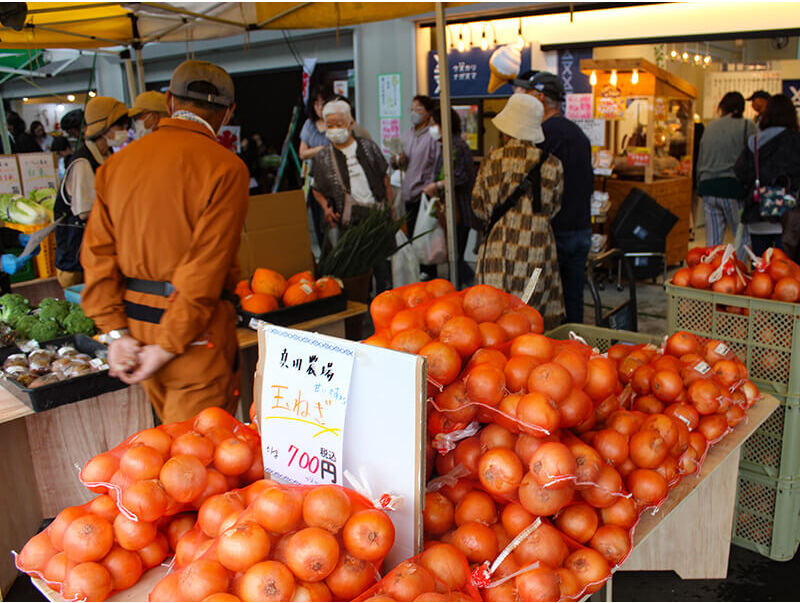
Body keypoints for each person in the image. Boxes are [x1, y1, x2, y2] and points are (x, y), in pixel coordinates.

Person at [81, 60, 247, 423]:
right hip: (193, 337)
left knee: (169, 453)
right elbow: (205, 270)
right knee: (201, 460)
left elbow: (96, 254)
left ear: (169, 101)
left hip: (137, 331)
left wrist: (114, 333)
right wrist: (169, 345)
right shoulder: (226, 168)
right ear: (229, 111)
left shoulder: (116, 166)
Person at [472, 93, 566, 330]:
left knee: (491, 316)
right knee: (529, 316)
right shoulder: (552, 164)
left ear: (506, 129)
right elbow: (554, 208)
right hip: (535, 251)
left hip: (496, 249)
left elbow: (478, 207)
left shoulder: (491, 161)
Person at [527, 71, 592, 325]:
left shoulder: (541, 136)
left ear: (540, 97)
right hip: (581, 228)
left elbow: (540, 190)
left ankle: (553, 351)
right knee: (574, 298)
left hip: (554, 231)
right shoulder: (579, 135)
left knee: (544, 299)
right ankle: (575, 345)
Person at [310, 99, 393, 291]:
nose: (334, 129)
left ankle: (383, 299)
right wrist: (325, 207)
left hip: (377, 217)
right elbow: (316, 188)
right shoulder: (323, 157)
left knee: (383, 270)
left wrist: (389, 209)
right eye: (330, 125)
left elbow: (384, 179)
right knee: (356, 272)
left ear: (351, 124)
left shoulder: (368, 147)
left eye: (339, 124)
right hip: (348, 224)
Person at [54, 96, 129, 288]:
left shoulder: (107, 157)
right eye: (119, 126)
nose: (124, 131)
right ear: (103, 128)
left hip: (96, 255)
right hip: (77, 258)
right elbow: (85, 212)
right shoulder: (82, 163)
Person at [734, 94, 800, 256]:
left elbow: (740, 171)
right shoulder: (795, 141)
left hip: (758, 213)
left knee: (761, 270)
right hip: (788, 217)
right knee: (785, 270)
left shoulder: (754, 142)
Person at [696, 92, 755, 258]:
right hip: (733, 188)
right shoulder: (746, 125)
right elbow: (754, 155)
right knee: (742, 235)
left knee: (713, 240)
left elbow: (701, 158)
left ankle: (712, 274)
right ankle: (736, 274)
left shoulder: (710, 127)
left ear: (722, 107)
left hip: (708, 187)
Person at [421, 107, 475, 286]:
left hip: (459, 209)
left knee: (455, 254)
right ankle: (462, 287)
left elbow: (459, 177)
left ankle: (470, 285)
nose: (431, 127)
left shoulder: (456, 146)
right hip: (451, 209)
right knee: (454, 255)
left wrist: (436, 185)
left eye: (434, 123)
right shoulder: (447, 145)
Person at [392, 96, 439, 261]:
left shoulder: (433, 135)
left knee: (425, 235)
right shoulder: (407, 134)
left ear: (428, 113)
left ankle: (428, 270)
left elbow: (437, 164)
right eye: (412, 109)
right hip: (408, 193)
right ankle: (418, 270)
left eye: (418, 109)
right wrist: (397, 160)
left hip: (424, 193)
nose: (414, 113)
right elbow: (397, 163)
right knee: (412, 234)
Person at [299, 84, 331, 161]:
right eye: (316, 104)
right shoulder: (309, 124)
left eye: (323, 103)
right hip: (314, 170)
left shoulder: (336, 122)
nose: (320, 108)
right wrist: (321, 149)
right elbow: (302, 153)